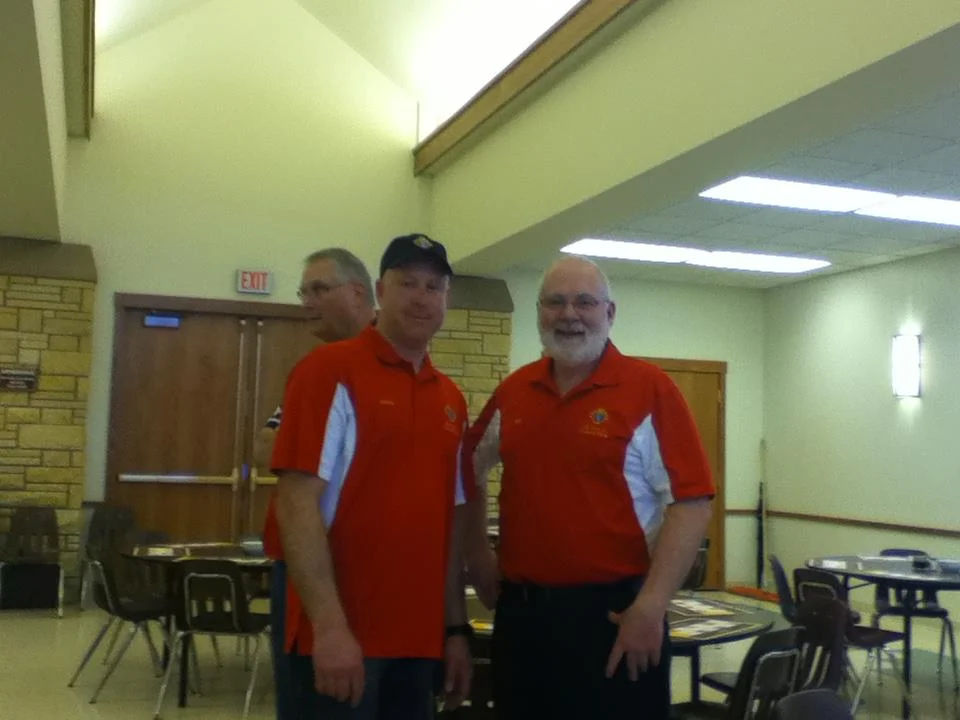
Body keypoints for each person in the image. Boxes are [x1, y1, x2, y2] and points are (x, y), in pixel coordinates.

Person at [463, 256, 714, 720]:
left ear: (609, 312)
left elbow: (692, 502)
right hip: (523, 619)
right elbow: (466, 469)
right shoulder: (514, 391)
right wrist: (477, 552)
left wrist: (652, 605)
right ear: (539, 312)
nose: (569, 314)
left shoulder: (650, 389)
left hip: (617, 617)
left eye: (584, 302)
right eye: (555, 302)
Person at [272, 233, 473, 719]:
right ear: (380, 291)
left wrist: (455, 629)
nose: (421, 298)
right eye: (408, 283)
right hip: (341, 641)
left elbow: (448, 524)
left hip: (417, 643)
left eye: (433, 287)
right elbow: (296, 503)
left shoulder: (450, 398)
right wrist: (329, 628)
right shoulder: (328, 371)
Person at [255, 247, 377, 720]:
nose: (306, 301)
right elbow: (265, 447)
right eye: (303, 291)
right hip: (301, 564)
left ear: (358, 293)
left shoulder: (394, 365)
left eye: (319, 289)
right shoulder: (316, 370)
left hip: (366, 568)